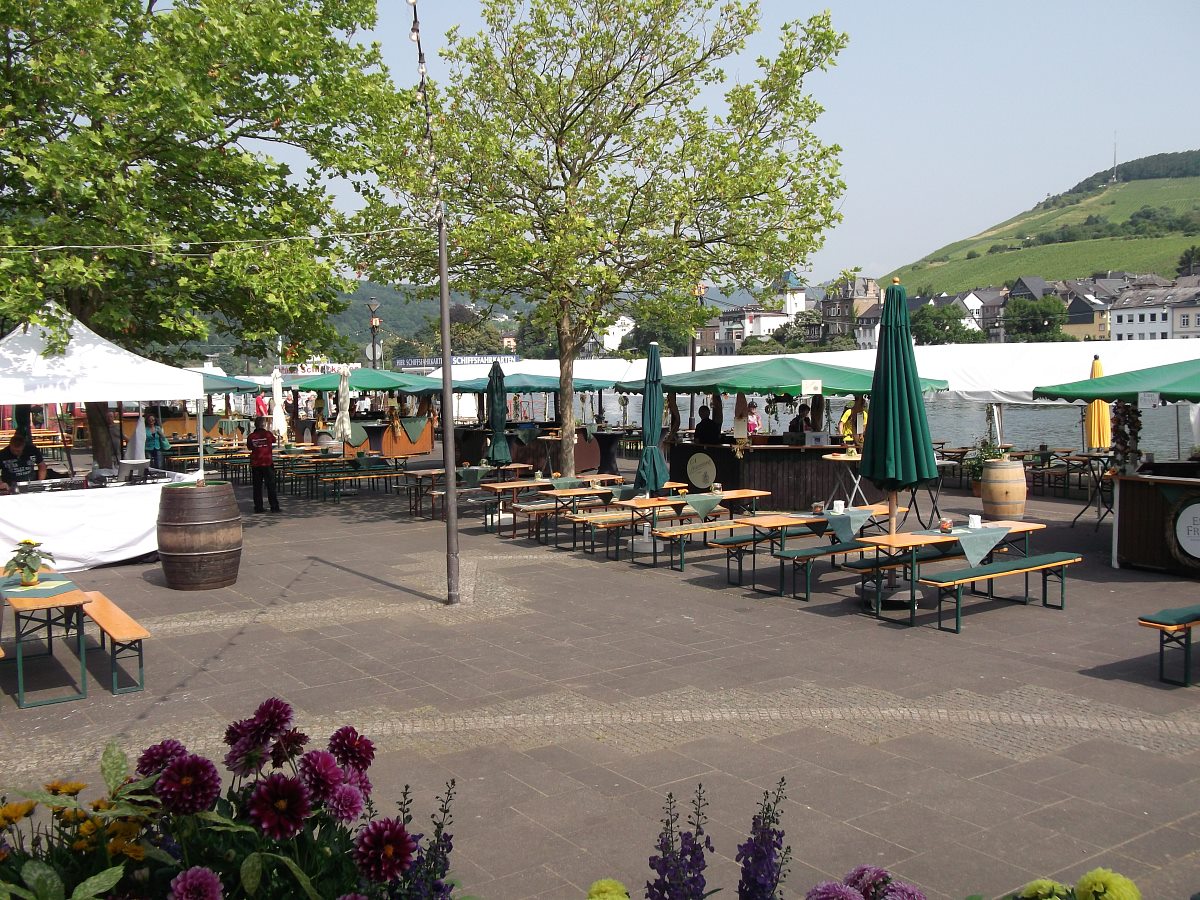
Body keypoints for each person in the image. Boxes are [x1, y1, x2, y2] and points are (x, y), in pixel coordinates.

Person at [246, 416, 281, 513]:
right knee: (271, 485)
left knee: (257, 487)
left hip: (256, 463)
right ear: (264, 425)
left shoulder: (251, 436)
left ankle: (258, 507)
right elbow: (274, 440)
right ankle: (274, 506)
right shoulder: (268, 434)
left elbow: (249, 447)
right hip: (267, 462)